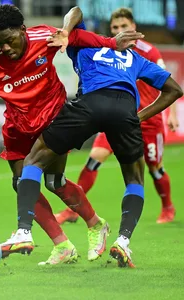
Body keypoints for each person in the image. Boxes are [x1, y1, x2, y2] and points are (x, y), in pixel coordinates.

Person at [0, 5, 142, 265]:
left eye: (9, 41)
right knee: (21, 183)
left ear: (23, 31)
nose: (5, 48)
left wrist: (110, 42)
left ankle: (96, 225)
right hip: (18, 124)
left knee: (54, 182)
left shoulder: (43, 38)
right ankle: (62, 245)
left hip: (52, 118)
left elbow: (77, 34)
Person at [2, 25, 183, 268]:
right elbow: (175, 90)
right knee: (134, 179)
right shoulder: (137, 58)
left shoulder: (83, 45)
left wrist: (66, 30)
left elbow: (75, 13)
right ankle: (123, 241)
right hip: (125, 111)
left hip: (90, 105)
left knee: (33, 160)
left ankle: (24, 231)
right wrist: (138, 117)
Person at [56, 7, 179, 226]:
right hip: (118, 118)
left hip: (147, 121)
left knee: (154, 169)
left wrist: (171, 113)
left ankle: (168, 207)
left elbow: (169, 85)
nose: (119, 30)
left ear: (134, 27)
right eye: (115, 27)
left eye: (124, 26)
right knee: (94, 159)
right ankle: (72, 209)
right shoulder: (108, 48)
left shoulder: (148, 51)